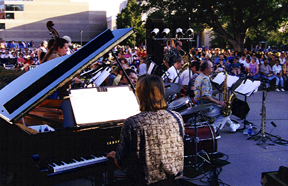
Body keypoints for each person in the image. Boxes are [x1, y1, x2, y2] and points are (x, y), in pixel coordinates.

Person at [107, 75, 184, 186]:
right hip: (174, 182)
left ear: (139, 94)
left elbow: (120, 163)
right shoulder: (177, 117)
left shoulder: (133, 123)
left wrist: (115, 155)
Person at [194, 60, 240, 134]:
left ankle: (232, 125)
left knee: (224, 109)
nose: (213, 69)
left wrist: (220, 90)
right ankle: (214, 128)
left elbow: (208, 93)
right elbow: (205, 96)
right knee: (227, 112)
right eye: (211, 67)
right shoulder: (205, 80)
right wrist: (219, 102)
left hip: (200, 106)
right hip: (206, 108)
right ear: (206, 69)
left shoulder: (199, 77)